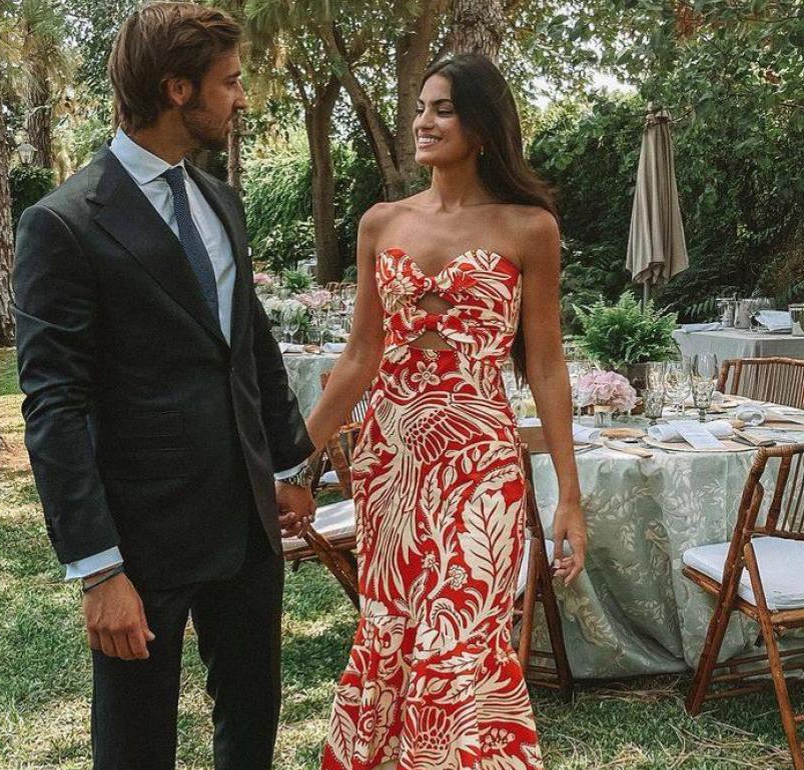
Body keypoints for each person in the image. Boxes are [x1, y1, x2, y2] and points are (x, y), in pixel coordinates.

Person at [12, 4, 315, 769]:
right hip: (140, 539)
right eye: (230, 83)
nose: (241, 99)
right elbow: (54, 405)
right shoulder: (65, 222)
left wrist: (286, 466)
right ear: (178, 88)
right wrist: (98, 567)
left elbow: (248, 344)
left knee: (252, 721)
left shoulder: (220, 200)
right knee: (136, 743)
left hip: (245, 523)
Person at [306, 53, 586, 770]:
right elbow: (358, 359)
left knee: (462, 636)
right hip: (391, 460)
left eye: (443, 109)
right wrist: (294, 457)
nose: (423, 122)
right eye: (422, 108)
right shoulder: (380, 223)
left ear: (484, 127)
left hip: (480, 464)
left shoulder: (530, 228)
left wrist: (569, 499)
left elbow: (548, 367)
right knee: (391, 629)